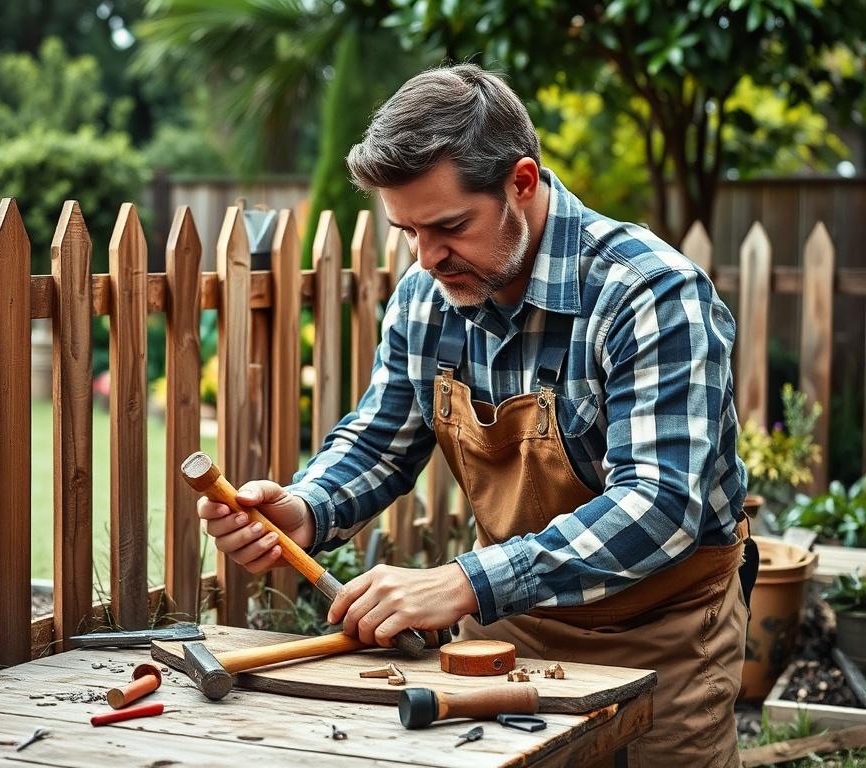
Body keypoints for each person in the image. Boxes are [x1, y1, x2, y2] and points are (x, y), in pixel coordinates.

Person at [198, 64, 750, 766]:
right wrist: (305, 508)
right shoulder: (428, 298)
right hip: (508, 637)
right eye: (408, 232)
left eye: (449, 227)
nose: (427, 258)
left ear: (522, 182)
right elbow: (380, 440)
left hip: (665, 638)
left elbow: (661, 506)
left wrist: (464, 583)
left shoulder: (650, 295)